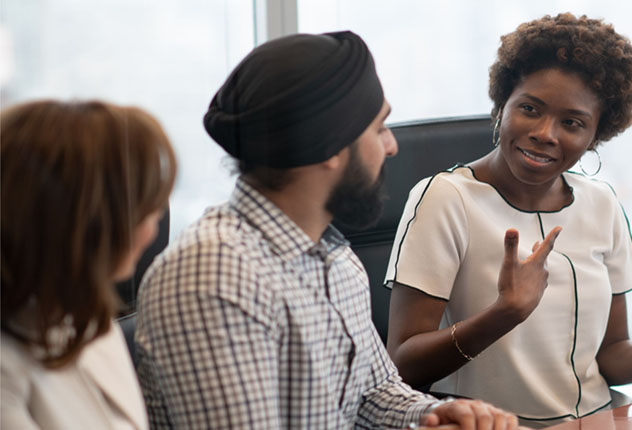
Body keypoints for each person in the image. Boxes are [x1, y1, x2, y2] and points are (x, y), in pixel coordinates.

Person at [134, 31, 517, 429]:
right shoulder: (215, 277)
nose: (391, 147)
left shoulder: (332, 254)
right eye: (379, 128)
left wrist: (433, 414)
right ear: (332, 145)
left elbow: (372, 394)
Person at [384, 13, 632, 426]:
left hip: (597, 420)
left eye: (572, 123)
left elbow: (609, 355)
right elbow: (402, 365)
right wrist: (504, 313)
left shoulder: (601, 202)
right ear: (502, 105)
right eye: (530, 109)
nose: (545, 133)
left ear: (597, 135)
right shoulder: (446, 199)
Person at [1, 100, 177, 429]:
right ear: (78, 221)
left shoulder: (88, 319)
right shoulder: (8, 371)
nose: (152, 230)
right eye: (138, 211)